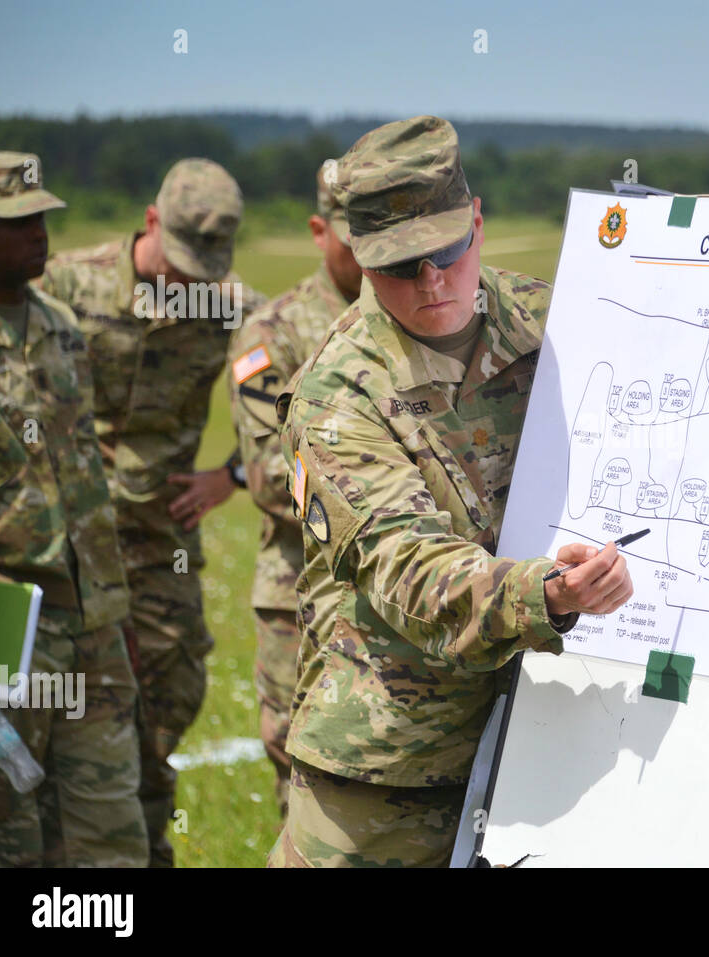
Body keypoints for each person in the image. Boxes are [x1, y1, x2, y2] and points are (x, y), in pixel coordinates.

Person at [267, 116, 634, 867]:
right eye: (401, 266)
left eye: (447, 251)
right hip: (389, 782)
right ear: (361, 259)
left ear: (477, 221)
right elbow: (410, 570)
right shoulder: (335, 396)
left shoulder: (557, 320)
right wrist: (549, 594)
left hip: (549, 738)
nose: (432, 281)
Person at [40, 158, 266, 866]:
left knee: (167, 696)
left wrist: (230, 473)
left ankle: (142, 853)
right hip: (58, 546)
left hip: (157, 538)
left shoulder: (232, 304)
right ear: (148, 223)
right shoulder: (66, 283)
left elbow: (298, 385)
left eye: (204, 271)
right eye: (178, 266)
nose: (188, 286)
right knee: (42, 708)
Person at [0, 151, 148, 866]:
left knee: (111, 833)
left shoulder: (60, 326)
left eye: (44, 218)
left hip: (92, 624)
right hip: (2, 632)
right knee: (4, 829)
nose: (39, 235)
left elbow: (85, 478)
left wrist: (117, 609)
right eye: (18, 223)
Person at [227, 160, 361, 814]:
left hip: (416, 600)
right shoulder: (272, 335)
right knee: (311, 799)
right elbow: (273, 479)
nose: (372, 250)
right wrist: (391, 521)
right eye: (353, 233)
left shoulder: (420, 324)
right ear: (317, 230)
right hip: (304, 604)